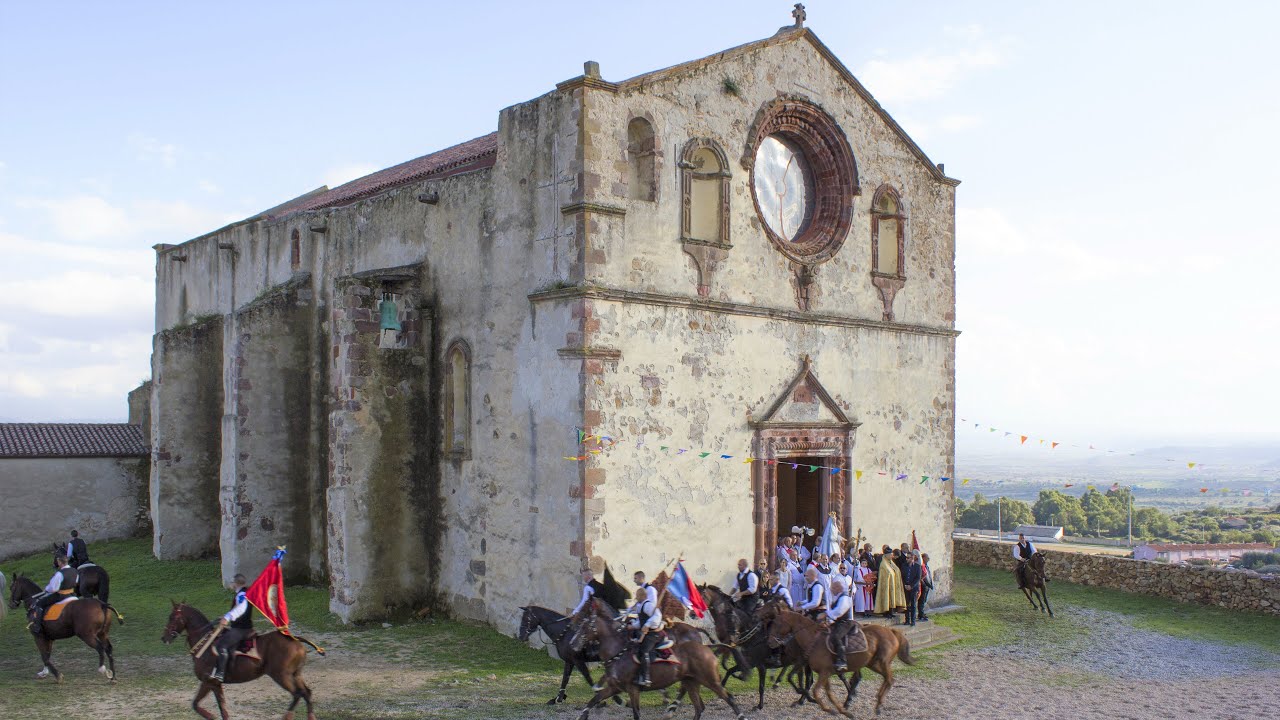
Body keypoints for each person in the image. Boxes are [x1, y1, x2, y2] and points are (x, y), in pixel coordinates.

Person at [212, 574, 254, 683]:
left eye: (232, 582)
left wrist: (227, 617)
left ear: (236, 583)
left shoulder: (242, 594)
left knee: (221, 645)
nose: (231, 584)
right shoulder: (242, 594)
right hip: (239, 626)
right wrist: (225, 616)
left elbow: (241, 608)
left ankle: (220, 674)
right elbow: (237, 608)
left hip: (241, 629)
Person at [627, 571, 662, 687]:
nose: (636, 599)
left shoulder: (648, 604)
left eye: (637, 596)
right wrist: (633, 625)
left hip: (651, 633)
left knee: (644, 651)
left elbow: (656, 615)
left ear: (642, 596)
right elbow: (641, 620)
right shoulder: (641, 605)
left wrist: (648, 624)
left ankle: (646, 678)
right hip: (644, 631)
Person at [30, 554, 78, 636]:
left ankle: (37, 626)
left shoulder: (59, 574)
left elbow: (53, 589)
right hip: (72, 594)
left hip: (61, 595)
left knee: (39, 604)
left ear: (59, 562)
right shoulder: (75, 570)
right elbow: (76, 582)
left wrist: (47, 589)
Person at [822, 579, 855, 671]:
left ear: (838, 588)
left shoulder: (844, 598)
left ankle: (842, 661)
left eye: (833, 588)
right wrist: (829, 621)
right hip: (839, 622)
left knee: (835, 636)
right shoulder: (838, 597)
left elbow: (839, 611)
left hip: (846, 622)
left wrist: (826, 614)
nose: (831, 590)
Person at [874, 547, 905, 618]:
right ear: (887, 555)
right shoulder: (883, 564)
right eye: (890, 555)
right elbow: (886, 573)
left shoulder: (890, 562)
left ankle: (891, 612)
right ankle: (886, 612)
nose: (892, 556)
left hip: (892, 584)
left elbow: (896, 570)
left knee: (892, 598)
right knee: (887, 598)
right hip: (886, 585)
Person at [901, 551, 923, 626]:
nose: (906, 559)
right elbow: (902, 577)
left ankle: (913, 621)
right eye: (906, 557)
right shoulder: (904, 566)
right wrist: (905, 585)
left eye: (908, 557)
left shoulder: (917, 567)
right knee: (907, 604)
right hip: (905, 587)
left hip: (913, 588)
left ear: (912, 558)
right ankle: (907, 620)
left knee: (913, 604)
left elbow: (918, 578)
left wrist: (911, 586)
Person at [917, 553, 934, 621]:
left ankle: (922, 613)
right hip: (923, 586)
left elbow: (928, 576)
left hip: (927, 586)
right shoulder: (921, 566)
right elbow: (923, 578)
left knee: (924, 601)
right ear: (923, 558)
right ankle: (920, 614)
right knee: (921, 601)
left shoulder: (926, 566)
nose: (928, 559)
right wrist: (928, 585)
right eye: (927, 558)